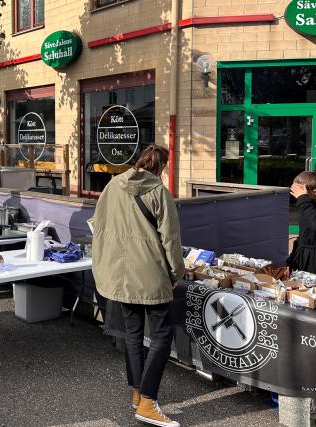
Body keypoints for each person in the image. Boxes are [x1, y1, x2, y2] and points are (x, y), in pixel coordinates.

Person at [91, 145, 185, 427]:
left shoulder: (113, 186)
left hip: (118, 274)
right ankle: (147, 401)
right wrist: (177, 271)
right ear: (161, 167)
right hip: (150, 274)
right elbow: (170, 238)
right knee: (161, 336)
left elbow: (98, 224)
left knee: (133, 333)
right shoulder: (159, 192)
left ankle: (137, 392)